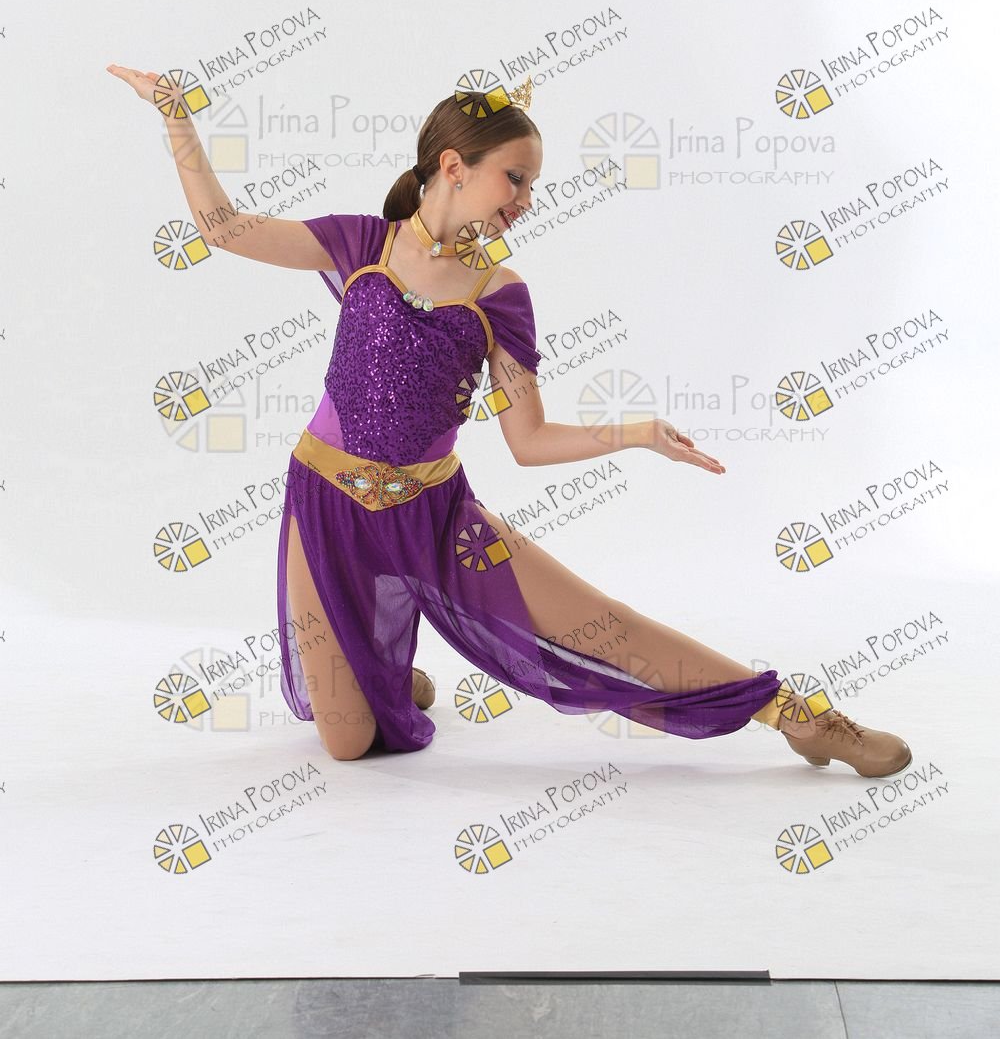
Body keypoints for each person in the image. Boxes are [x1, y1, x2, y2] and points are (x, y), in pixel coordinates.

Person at [107, 64, 911, 777]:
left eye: (531, 187)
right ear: (454, 166)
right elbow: (223, 229)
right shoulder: (360, 245)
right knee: (347, 745)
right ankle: (387, 676)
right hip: (324, 502)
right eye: (516, 179)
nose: (526, 201)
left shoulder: (501, 296)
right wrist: (177, 115)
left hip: (435, 517)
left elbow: (528, 441)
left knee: (602, 627)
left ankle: (798, 715)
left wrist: (634, 434)